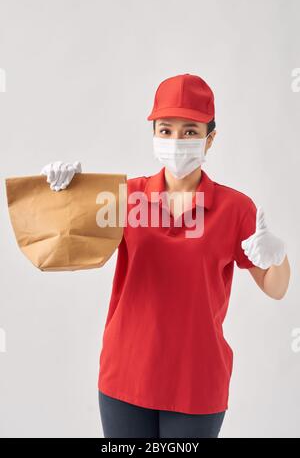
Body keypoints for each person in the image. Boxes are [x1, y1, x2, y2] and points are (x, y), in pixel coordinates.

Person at [40, 73, 290, 438]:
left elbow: (276, 288)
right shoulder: (125, 196)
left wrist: (277, 256)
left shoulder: (236, 209)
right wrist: (62, 195)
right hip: (126, 374)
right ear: (154, 134)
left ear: (210, 138)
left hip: (197, 382)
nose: (177, 140)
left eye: (190, 131)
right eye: (166, 130)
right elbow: (64, 250)